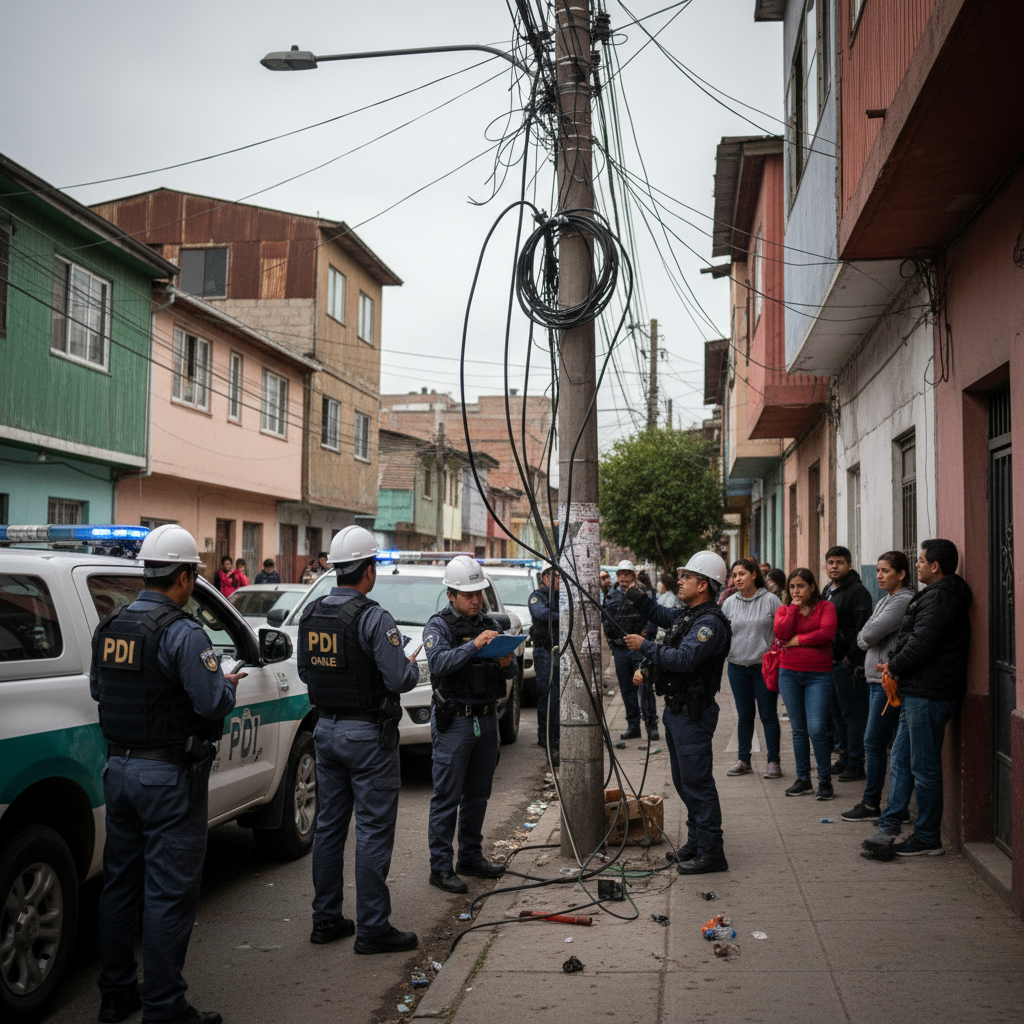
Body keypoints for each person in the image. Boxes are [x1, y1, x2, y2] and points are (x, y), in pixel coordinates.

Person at [91, 524, 242, 1024]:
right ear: (183, 577)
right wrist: (226, 682)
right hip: (168, 777)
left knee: (119, 886)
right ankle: (164, 1006)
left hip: (118, 770)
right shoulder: (183, 631)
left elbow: (100, 690)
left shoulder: (111, 625)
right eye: (193, 574)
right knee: (168, 893)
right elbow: (212, 702)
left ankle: (116, 994)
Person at [298, 525, 420, 953]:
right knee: (371, 830)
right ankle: (372, 929)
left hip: (326, 730)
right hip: (367, 735)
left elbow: (305, 672)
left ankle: (326, 919)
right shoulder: (374, 617)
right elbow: (399, 679)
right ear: (369, 569)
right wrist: (410, 664)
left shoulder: (312, 614)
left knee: (329, 828)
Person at [621, 550, 732, 874]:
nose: (680, 581)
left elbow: (684, 659)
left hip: (693, 714)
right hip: (678, 709)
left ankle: (712, 852)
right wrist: (635, 596)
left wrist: (645, 646)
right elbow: (660, 615)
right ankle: (696, 843)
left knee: (697, 784)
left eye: (687, 577)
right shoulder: (690, 615)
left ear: (704, 585)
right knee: (684, 783)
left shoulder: (709, 623)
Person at [862, 539, 972, 858]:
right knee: (901, 759)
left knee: (924, 767)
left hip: (929, 693)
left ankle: (927, 837)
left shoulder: (940, 598)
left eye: (921, 560)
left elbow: (921, 643)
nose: (917, 565)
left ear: (935, 566)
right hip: (917, 691)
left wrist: (894, 665)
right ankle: (889, 825)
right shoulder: (934, 595)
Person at [424, 555, 517, 893]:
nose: (476, 600)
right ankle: (440, 867)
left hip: (487, 718)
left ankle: (470, 856)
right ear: (451, 595)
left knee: (478, 795)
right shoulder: (439, 626)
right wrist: (475, 646)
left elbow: (509, 671)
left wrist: (506, 660)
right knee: (447, 797)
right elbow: (438, 663)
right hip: (456, 720)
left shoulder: (491, 625)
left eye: (479, 593)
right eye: (468, 595)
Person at [841, 551, 915, 822]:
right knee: (883, 743)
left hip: (887, 682)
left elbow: (869, 634)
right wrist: (867, 634)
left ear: (901, 574)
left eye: (885, 571)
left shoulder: (902, 600)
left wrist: (866, 634)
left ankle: (872, 803)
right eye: (878, 570)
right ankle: (896, 806)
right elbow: (867, 632)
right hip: (876, 679)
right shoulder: (886, 599)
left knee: (873, 742)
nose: (879, 575)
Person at [774, 568, 838, 800]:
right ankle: (803, 779)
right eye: (792, 587)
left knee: (817, 729)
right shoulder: (784, 610)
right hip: (789, 675)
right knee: (799, 730)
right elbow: (782, 633)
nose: (796, 591)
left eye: (801, 586)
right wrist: (793, 609)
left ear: (812, 587)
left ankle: (825, 781)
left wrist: (798, 641)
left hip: (818, 676)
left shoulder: (825, 607)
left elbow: (826, 633)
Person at [721, 558, 783, 779]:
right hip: (737, 667)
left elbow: (782, 632)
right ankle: (743, 760)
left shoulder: (771, 601)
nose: (737, 579)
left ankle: (773, 761)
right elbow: (723, 634)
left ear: (754, 575)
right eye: (734, 575)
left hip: (764, 668)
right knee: (745, 715)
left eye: (742, 574)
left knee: (768, 714)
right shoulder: (729, 603)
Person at [821, 546, 873, 782]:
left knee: (852, 716)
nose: (834, 566)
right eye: (831, 562)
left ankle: (856, 763)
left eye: (839, 562)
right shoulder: (828, 590)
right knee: (837, 714)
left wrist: (850, 659)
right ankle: (844, 757)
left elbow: (863, 629)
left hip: (848, 666)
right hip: (829, 663)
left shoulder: (857, 591)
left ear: (849, 565)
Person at [603, 559, 657, 741]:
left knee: (645, 687)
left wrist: (647, 635)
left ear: (633, 576)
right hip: (621, 648)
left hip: (640, 648)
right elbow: (606, 620)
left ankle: (651, 725)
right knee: (626, 689)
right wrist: (613, 644)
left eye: (627, 574)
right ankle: (633, 726)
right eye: (620, 574)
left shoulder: (643, 592)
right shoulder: (611, 595)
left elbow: (653, 615)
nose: (623, 577)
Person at [528, 565, 561, 760]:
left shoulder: (563, 597)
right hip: (545, 651)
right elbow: (541, 614)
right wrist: (563, 616)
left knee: (557, 695)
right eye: (554, 576)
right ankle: (545, 736)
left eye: (560, 577)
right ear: (545, 578)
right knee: (547, 694)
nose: (557, 580)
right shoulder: (538, 596)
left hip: (560, 651)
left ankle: (553, 736)